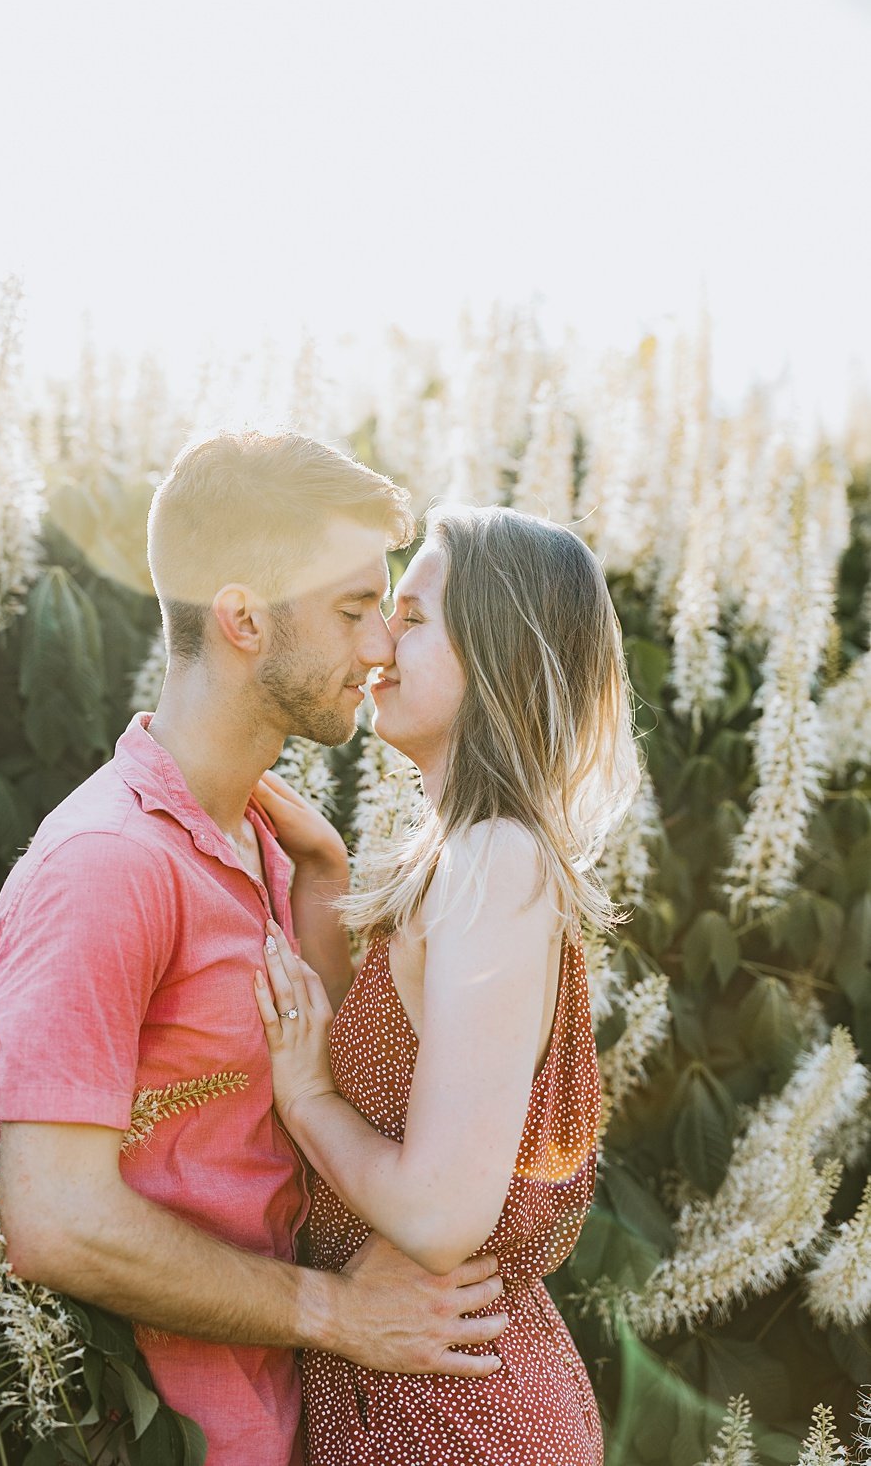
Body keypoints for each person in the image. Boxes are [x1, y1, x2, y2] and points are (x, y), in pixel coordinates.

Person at [0, 432, 510, 1466]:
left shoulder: (264, 845)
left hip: (284, 1429)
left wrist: (319, 889)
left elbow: (316, 1127)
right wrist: (339, 1316)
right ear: (243, 618)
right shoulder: (107, 865)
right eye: (355, 610)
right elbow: (51, 1220)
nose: (379, 651)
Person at [253, 502, 642, 1466]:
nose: (380, 636)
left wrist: (303, 1099)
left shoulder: (498, 861)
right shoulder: (461, 860)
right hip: (422, 1396)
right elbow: (396, 1071)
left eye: (416, 616)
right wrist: (326, 879)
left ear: (498, 656)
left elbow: (436, 1216)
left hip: (466, 1421)